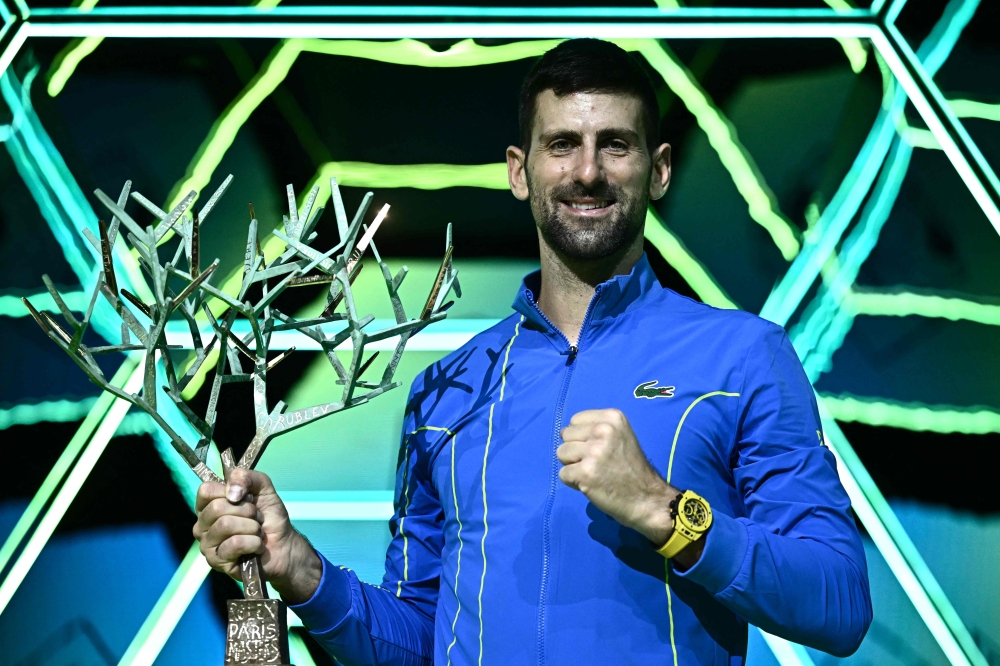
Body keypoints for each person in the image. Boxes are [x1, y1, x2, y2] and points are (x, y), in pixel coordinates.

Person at [193, 39, 872, 665]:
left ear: (660, 169)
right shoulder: (449, 389)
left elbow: (839, 603)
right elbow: (423, 638)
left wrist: (664, 511)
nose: (587, 171)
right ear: (520, 171)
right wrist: (302, 572)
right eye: (561, 145)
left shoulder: (744, 355)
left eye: (615, 145)